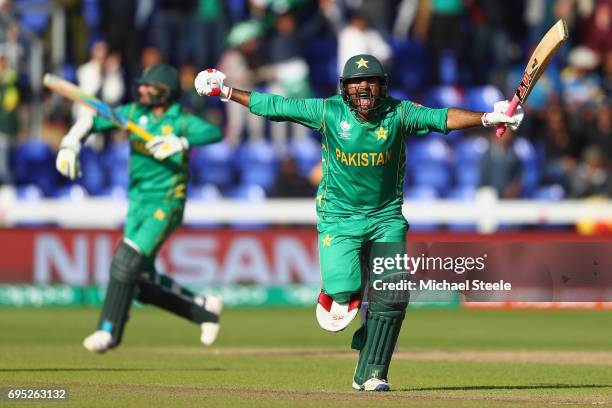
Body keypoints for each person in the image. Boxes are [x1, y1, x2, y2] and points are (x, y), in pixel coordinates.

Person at [194, 54, 523, 391]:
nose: (363, 86)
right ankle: (348, 292)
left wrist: (487, 117)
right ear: (345, 89)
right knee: (343, 289)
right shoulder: (328, 112)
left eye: (371, 81)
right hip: (338, 218)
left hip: (385, 217)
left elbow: (442, 117)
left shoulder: (399, 113)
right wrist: (227, 91)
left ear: (382, 86)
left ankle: (372, 373)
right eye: (356, 82)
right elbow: (277, 106)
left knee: (393, 292)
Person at [56, 64, 224, 353]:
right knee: (141, 282)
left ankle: (108, 331)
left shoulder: (181, 120)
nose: (143, 90)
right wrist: (70, 143)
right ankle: (203, 309)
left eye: (150, 86)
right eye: (142, 85)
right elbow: (93, 121)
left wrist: (181, 142)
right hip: (137, 204)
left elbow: (213, 132)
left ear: (167, 91)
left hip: (167, 202)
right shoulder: (134, 113)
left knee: (124, 260)